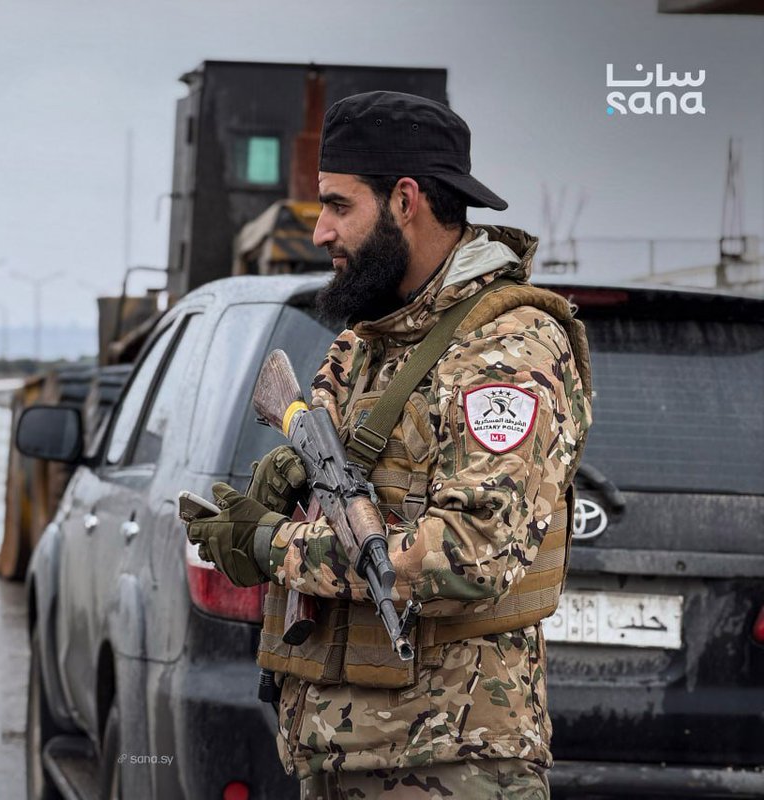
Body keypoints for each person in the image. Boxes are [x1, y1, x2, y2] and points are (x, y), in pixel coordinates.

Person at [184, 91, 593, 799]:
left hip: (450, 763)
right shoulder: (367, 343)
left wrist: (272, 548)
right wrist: (281, 483)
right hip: (337, 754)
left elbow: (470, 552)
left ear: (406, 200)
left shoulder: (507, 353)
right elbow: (338, 489)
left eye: (340, 207)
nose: (321, 233)